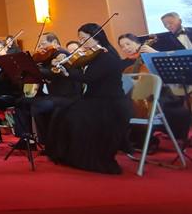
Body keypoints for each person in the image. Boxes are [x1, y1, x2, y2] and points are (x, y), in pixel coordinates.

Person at [45, 23, 130, 174]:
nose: (81, 42)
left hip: (109, 103)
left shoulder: (107, 56)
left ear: (97, 37)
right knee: (61, 112)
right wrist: (63, 63)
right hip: (94, 99)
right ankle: (68, 155)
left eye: (84, 39)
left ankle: (85, 158)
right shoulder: (94, 55)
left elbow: (89, 78)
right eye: (80, 39)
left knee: (71, 115)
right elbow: (82, 70)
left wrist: (66, 71)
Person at [118, 33, 192, 147]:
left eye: (128, 44)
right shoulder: (124, 64)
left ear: (138, 43)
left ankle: (169, 134)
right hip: (133, 99)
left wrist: (155, 53)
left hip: (157, 94)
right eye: (122, 46)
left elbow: (175, 66)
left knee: (173, 109)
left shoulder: (150, 56)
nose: (125, 48)